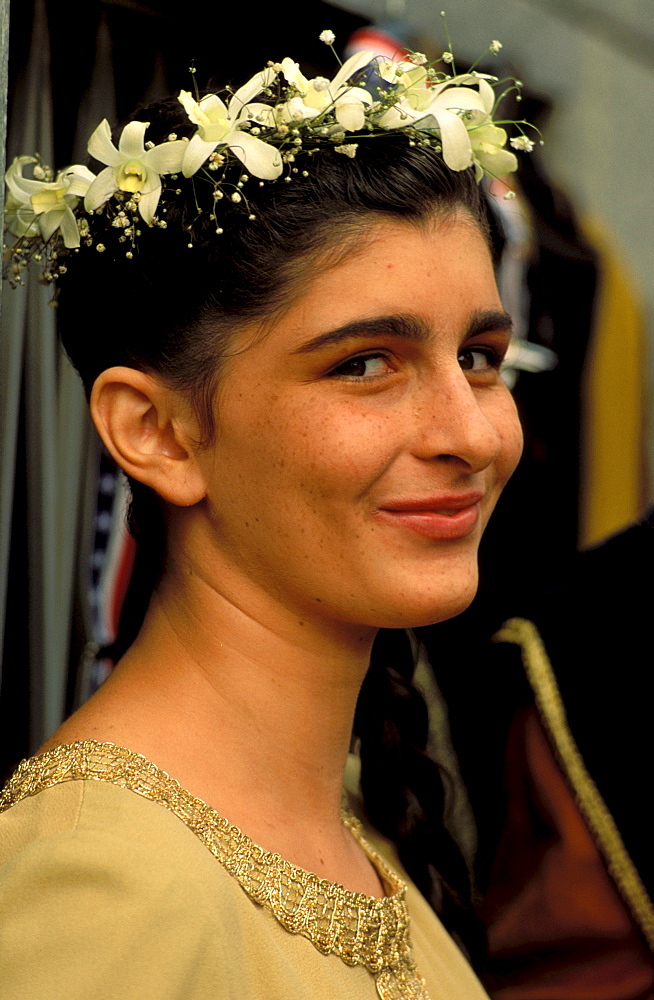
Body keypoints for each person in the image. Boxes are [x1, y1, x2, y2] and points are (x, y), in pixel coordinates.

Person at [0, 37, 528, 999]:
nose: (472, 433)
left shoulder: (353, 817)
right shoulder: (98, 890)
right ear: (157, 432)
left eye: (482, 356)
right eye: (366, 363)